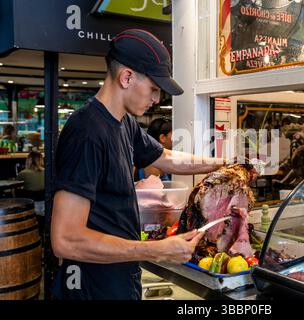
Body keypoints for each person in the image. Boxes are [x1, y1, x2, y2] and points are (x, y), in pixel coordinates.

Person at [51, 29, 227, 300]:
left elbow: (165, 158)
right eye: (154, 89)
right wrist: (155, 250)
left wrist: (223, 164)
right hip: (91, 287)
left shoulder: (124, 123)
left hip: (120, 277)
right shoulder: (86, 131)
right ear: (127, 77)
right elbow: (66, 240)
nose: (157, 99)